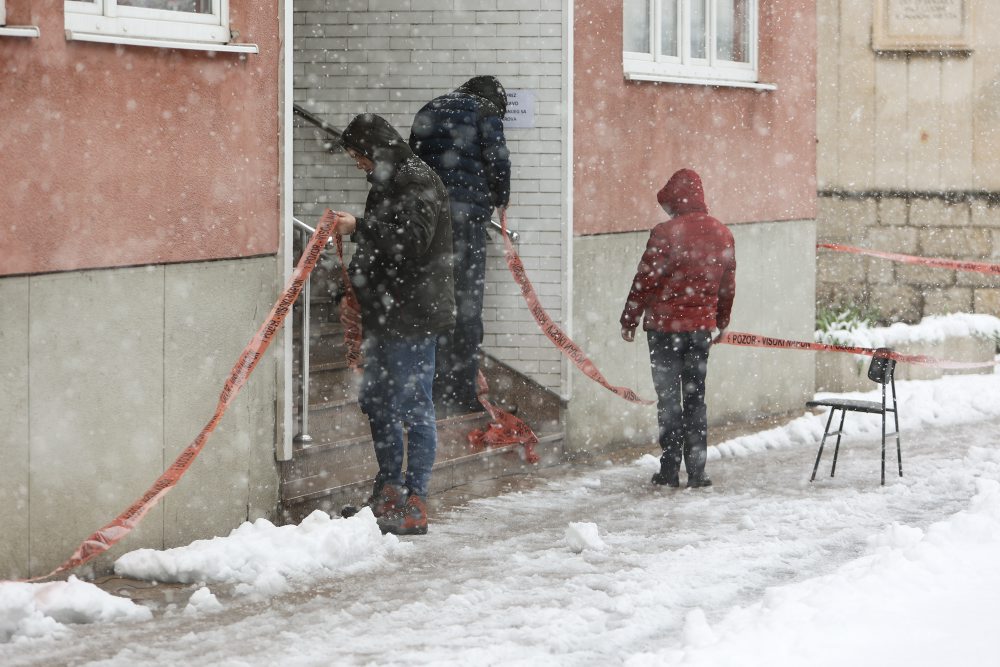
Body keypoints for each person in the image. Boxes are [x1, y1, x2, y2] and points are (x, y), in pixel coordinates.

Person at [332, 113, 456, 535]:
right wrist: (351, 291)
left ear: (373, 149)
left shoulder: (415, 180)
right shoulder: (388, 180)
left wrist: (359, 228)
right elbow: (377, 252)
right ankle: (388, 489)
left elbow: (412, 242)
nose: (357, 165)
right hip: (385, 313)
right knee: (379, 402)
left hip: (413, 316)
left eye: (357, 156)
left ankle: (416, 500)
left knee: (413, 406)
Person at [620, 168, 736, 489]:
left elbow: (644, 281)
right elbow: (727, 286)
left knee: (669, 400)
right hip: (699, 333)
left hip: (662, 331)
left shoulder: (665, 234)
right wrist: (721, 323)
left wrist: (629, 318)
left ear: (676, 201)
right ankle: (698, 471)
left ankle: (669, 469)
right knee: (695, 399)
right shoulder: (723, 235)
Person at [408, 75, 511, 414]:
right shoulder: (485, 113)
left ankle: (429, 389)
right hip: (465, 222)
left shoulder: (430, 107)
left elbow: (412, 163)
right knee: (466, 306)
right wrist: (499, 198)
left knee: (431, 301)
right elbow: (498, 161)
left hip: (428, 221)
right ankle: (462, 391)